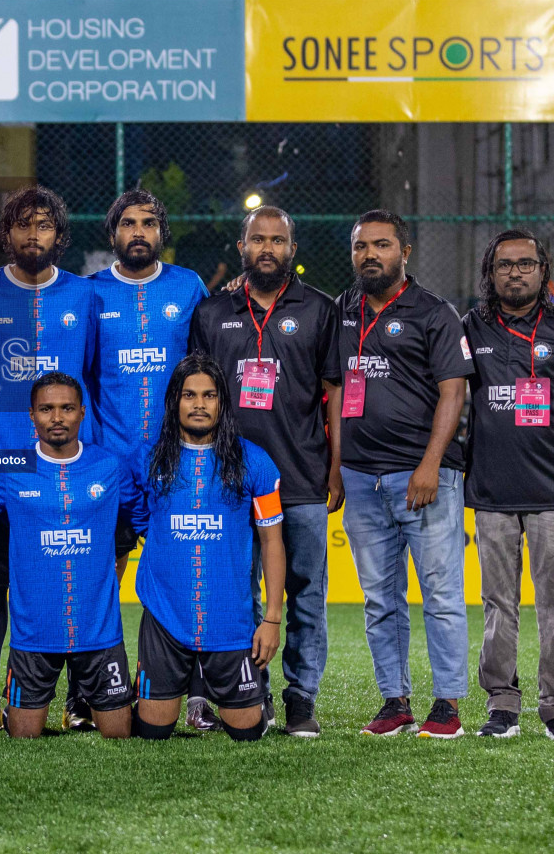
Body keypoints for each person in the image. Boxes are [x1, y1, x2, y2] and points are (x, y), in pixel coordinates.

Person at [187, 206, 342, 737]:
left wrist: (336, 469)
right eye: (259, 240)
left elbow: (336, 395)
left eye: (278, 240)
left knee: (305, 593)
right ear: (242, 247)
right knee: (236, 591)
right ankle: (251, 690)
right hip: (227, 482)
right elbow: (194, 397)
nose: (268, 248)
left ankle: (302, 698)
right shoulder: (211, 313)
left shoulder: (321, 311)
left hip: (300, 479)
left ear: (292, 251)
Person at [0, 185, 99, 732]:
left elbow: (93, 375)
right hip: (1, 465)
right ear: (6, 234)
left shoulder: (84, 295)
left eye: (42, 226)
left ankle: (79, 699)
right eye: (21, 225)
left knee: (73, 575)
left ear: (59, 236)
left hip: (66, 463)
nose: (31, 235)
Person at [336, 210, 473, 739]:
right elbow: (332, 388)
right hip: (361, 479)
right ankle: (394, 701)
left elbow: (453, 392)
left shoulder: (435, 313)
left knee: (440, 593)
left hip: (423, 479)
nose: (370, 254)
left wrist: (431, 464)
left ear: (405, 252)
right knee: (379, 598)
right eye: (361, 246)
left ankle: (448, 705)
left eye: (382, 245)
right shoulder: (343, 310)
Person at [464, 230, 554, 742]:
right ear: (491, 272)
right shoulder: (470, 327)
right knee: (497, 603)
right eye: (505, 265)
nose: (515, 272)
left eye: (526, 264)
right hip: (492, 491)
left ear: (543, 271)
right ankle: (502, 704)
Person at [87, 188, 209, 729]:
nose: (139, 232)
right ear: (112, 232)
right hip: (110, 463)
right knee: (98, 577)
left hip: (176, 462)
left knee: (188, 570)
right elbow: (80, 378)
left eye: (149, 223)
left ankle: (201, 690)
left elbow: (207, 369)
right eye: (128, 223)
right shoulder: (90, 294)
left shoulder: (189, 288)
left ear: (162, 232)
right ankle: (91, 691)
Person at [0, 372, 141, 739]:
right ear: (31, 415)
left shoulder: (109, 467)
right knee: (23, 742)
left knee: (120, 740)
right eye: (46, 409)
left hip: (101, 636)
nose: (57, 417)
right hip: (33, 637)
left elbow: (145, 520)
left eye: (66, 408)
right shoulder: (11, 471)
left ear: (82, 412)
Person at [132, 354, 285, 743]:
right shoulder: (147, 461)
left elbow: (271, 541)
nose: (199, 404)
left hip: (230, 620)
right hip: (165, 617)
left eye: (209, 395)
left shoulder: (255, 462)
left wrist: (271, 618)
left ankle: (245, 699)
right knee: (152, 732)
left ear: (222, 402)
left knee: (247, 735)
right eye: (189, 395)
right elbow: (133, 523)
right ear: (174, 401)